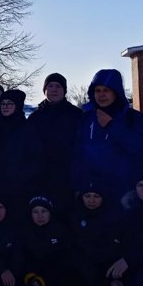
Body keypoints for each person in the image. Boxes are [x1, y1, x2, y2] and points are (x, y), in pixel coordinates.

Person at [72, 69, 143, 215]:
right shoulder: (86, 118)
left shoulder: (133, 118)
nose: (101, 95)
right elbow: (78, 153)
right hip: (92, 194)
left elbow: (138, 148)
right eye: (98, 90)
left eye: (106, 90)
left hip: (123, 190)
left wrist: (111, 126)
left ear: (116, 92)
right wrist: (79, 184)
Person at [27, 73, 82, 213]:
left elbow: (82, 147)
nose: (54, 89)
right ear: (45, 90)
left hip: (68, 177)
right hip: (41, 177)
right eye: (50, 86)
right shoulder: (35, 117)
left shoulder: (76, 115)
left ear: (64, 90)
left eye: (58, 86)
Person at [18, 195, 76, 286]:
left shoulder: (61, 231)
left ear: (50, 212)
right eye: (35, 212)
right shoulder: (24, 232)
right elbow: (21, 259)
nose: (40, 216)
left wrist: (44, 279)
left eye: (44, 211)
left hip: (55, 281)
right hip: (32, 278)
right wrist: (31, 276)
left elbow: (65, 262)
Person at [0, 89, 43, 215]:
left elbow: (36, 158)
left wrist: (21, 176)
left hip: (20, 187)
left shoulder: (27, 129)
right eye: (2, 104)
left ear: (17, 106)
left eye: (9, 104)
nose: (5, 107)